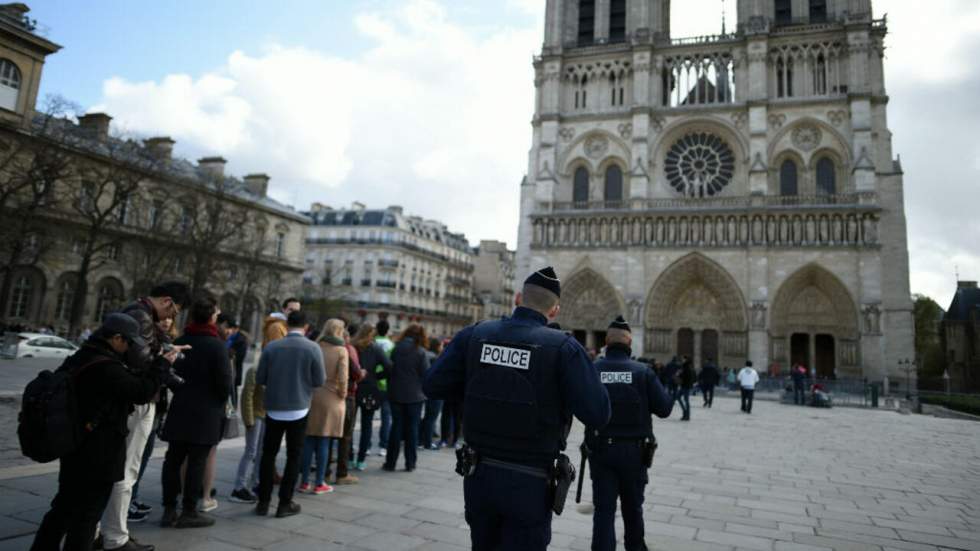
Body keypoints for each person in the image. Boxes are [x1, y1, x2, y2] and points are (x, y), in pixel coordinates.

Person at [423, 266, 611, 550]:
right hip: (531, 481)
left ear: (518, 298)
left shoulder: (475, 335)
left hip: (479, 474)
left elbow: (433, 386)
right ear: (555, 310)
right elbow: (598, 414)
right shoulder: (564, 348)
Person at [30, 314, 168, 551]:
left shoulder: (80, 357)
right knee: (87, 516)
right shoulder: (106, 366)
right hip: (99, 450)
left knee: (63, 507)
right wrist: (161, 366)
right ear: (116, 338)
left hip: (74, 444)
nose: (128, 349)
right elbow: (140, 391)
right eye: (127, 342)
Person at [100, 282, 190, 551]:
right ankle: (115, 536)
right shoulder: (142, 316)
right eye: (174, 310)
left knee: (115, 468)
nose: (171, 317)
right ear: (166, 301)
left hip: (125, 399)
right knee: (127, 470)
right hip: (137, 402)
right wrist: (167, 358)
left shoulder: (136, 312)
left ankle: (99, 531)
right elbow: (142, 361)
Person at [586, 316, 673, 551]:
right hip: (635, 453)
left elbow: (580, 407)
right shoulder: (642, 372)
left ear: (606, 341)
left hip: (601, 449)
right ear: (629, 342)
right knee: (633, 508)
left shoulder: (593, 370)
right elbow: (665, 408)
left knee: (604, 510)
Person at [159, 298, 231, 528]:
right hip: (206, 411)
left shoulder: (181, 340)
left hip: (180, 407)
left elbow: (169, 374)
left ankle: (169, 508)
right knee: (197, 462)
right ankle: (189, 510)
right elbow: (224, 385)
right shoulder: (217, 345)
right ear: (211, 318)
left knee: (173, 460)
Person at [255, 310, 325, 518]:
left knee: (268, 455)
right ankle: (285, 503)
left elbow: (261, 377)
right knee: (294, 456)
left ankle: (263, 502)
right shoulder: (313, 348)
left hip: (274, 406)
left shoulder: (272, 347)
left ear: (287, 325)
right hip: (299, 407)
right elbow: (319, 380)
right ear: (306, 327)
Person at [300, 319, 348, 494]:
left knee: (309, 440)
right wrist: (342, 394)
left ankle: (304, 481)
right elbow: (343, 378)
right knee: (324, 441)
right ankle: (319, 482)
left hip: (312, 396)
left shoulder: (315, 346)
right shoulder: (341, 350)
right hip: (331, 397)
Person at [383, 324, 430, 472]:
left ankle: (390, 463)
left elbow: (390, 368)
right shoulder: (421, 352)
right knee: (412, 429)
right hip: (415, 396)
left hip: (396, 393)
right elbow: (426, 374)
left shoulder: (396, 348)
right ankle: (410, 463)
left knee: (396, 428)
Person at [352, 323, 393, 470]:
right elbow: (389, 367)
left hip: (353, 387)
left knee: (349, 426)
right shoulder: (376, 349)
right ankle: (361, 460)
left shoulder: (352, 346)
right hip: (370, 388)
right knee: (366, 425)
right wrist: (376, 375)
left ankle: (349, 457)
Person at [230, 351, 265, 504]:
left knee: (261, 452)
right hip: (256, 416)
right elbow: (247, 396)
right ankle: (239, 487)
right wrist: (249, 420)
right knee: (250, 451)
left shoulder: (273, 370)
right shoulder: (255, 370)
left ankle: (256, 482)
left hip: (266, 416)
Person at [336, 327, 365, 483]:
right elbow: (356, 373)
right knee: (345, 436)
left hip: (326, 396)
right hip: (347, 395)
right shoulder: (346, 350)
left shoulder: (320, 346)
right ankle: (342, 473)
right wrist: (362, 373)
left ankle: (324, 473)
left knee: (327, 436)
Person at [373, 319, 395, 458]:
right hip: (386, 383)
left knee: (367, 417)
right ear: (387, 331)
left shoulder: (371, 342)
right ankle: (383, 446)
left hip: (371, 382)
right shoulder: (391, 345)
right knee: (386, 417)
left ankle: (366, 446)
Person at [218, 315, 248, 407]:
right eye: (230, 328)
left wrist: (229, 353)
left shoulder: (241, 340)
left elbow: (239, 357)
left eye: (234, 328)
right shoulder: (223, 336)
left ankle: (231, 412)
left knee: (232, 395)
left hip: (234, 372)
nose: (231, 331)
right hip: (223, 372)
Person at [419, 337, 444, 450]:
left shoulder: (426, 355)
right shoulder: (436, 358)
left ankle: (420, 440)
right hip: (436, 391)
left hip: (426, 390)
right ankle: (428, 443)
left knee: (427, 417)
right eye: (441, 345)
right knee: (431, 418)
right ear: (437, 346)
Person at [677, 356, 695, 421]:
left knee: (685, 400)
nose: (682, 360)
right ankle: (685, 412)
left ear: (686, 360)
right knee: (680, 398)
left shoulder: (686, 367)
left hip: (685, 386)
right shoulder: (686, 367)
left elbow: (686, 377)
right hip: (685, 386)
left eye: (683, 359)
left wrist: (679, 374)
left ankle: (686, 414)